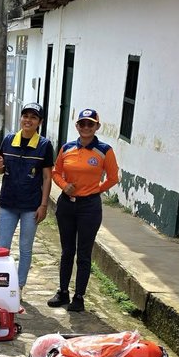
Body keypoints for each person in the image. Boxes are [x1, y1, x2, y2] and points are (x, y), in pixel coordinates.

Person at [48, 108, 120, 313]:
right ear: (77, 126)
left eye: (90, 124)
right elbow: (56, 171)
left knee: (84, 253)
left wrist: (96, 189)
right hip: (67, 205)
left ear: (97, 126)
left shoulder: (104, 150)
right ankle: (63, 292)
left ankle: (79, 296)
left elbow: (113, 177)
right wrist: (63, 185)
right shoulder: (67, 148)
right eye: (82, 124)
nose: (86, 127)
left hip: (89, 207)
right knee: (67, 250)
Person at [0, 102, 55, 290]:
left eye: (33, 117)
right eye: (25, 116)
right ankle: (2, 283)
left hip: (31, 206)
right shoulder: (9, 140)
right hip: (8, 203)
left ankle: (18, 286)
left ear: (40, 122)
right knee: (2, 247)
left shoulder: (44, 145)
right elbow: (1, 169)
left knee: (25, 249)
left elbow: (46, 177)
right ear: (21, 118)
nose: (28, 120)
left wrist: (43, 205)